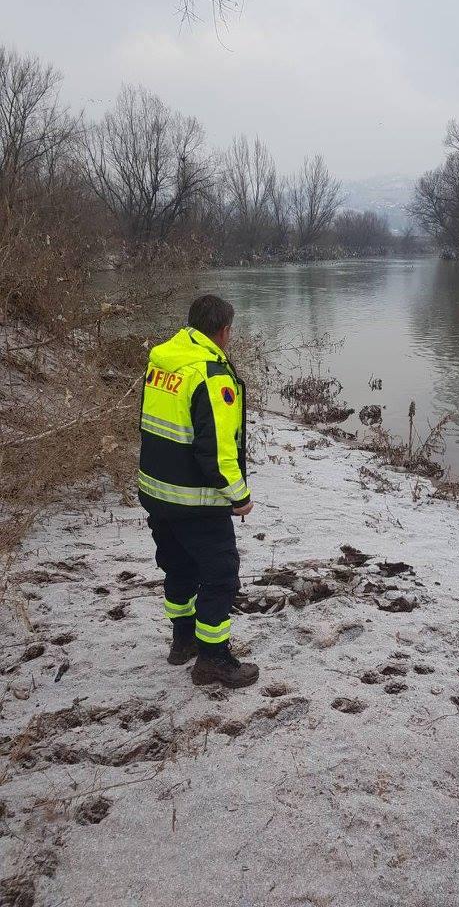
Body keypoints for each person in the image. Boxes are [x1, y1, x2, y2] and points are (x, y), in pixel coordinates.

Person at [138, 294, 259, 689]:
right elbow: (219, 450)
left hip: (156, 492)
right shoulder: (211, 375)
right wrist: (239, 495)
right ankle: (213, 659)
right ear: (224, 331)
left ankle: (182, 642)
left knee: (178, 567)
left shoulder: (162, 362)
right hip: (196, 500)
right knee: (220, 574)